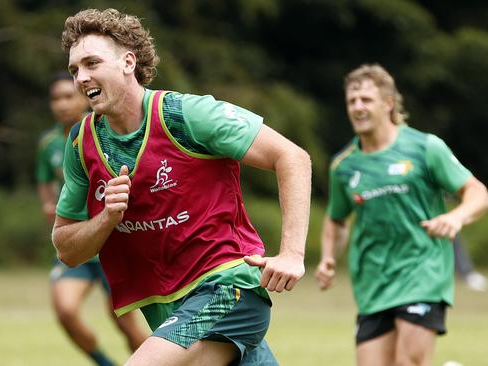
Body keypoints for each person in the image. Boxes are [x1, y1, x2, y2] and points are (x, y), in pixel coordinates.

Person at [52, 8, 312, 366]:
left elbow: (292, 157)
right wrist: (106, 219)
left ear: (128, 62)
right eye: (74, 69)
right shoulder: (81, 143)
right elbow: (66, 248)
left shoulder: (185, 115)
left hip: (228, 289)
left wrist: (292, 254)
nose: (81, 77)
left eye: (92, 63)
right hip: (168, 309)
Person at [315, 64, 488, 366]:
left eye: (366, 100)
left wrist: (455, 218)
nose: (357, 107)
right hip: (372, 283)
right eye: (352, 101)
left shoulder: (425, 148)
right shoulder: (343, 165)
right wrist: (328, 258)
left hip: (422, 273)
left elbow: (477, 192)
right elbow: (336, 219)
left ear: (388, 103)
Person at [36, 72, 148, 366]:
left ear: (84, 96)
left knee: (124, 323)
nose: (61, 104)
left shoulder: (104, 131)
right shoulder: (48, 143)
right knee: (65, 310)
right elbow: (45, 184)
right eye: (55, 98)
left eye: (68, 96)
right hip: (78, 246)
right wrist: (49, 203)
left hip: (114, 245)